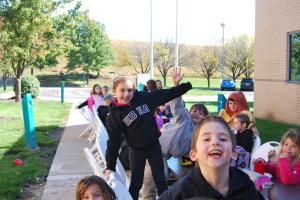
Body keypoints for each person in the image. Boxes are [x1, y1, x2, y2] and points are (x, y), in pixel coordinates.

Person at [104, 68, 192, 200]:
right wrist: (110, 165)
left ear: (134, 90)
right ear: (114, 91)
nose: (126, 94)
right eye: (122, 90)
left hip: (154, 147)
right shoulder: (115, 115)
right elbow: (113, 141)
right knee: (136, 183)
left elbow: (166, 94)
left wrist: (182, 86)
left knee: (161, 181)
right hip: (136, 151)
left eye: (129, 90)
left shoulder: (143, 98)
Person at [159, 115, 263, 200]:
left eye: (222, 139)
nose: (215, 142)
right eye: (207, 139)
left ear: (234, 153)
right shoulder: (180, 193)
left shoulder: (245, 186)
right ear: (193, 154)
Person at [143, 99, 208, 200]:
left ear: (205, 118)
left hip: (166, 155)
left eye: (201, 113)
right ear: (189, 113)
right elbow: (177, 106)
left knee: (162, 181)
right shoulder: (183, 119)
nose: (197, 114)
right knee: (153, 180)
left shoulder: (199, 133)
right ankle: (148, 197)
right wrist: (177, 88)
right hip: (155, 149)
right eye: (194, 111)